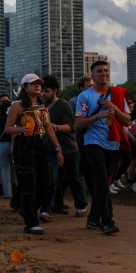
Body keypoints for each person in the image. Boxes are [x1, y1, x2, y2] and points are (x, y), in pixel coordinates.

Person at [5, 74, 64, 235]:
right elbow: (8, 128)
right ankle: (30, 223)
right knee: (28, 184)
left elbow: (48, 128)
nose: (38, 86)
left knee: (47, 184)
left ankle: (24, 208)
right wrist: (21, 130)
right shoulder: (18, 106)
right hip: (25, 145)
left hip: (41, 144)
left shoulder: (43, 105)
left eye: (39, 83)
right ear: (25, 87)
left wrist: (58, 148)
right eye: (33, 83)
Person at [76, 60, 130, 234]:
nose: (103, 73)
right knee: (100, 180)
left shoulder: (117, 95)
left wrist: (113, 107)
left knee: (103, 183)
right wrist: (98, 116)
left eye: (106, 70)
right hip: (93, 142)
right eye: (99, 71)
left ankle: (93, 218)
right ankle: (107, 221)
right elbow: (80, 123)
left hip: (113, 143)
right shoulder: (85, 96)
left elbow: (127, 121)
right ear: (92, 75)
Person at [41, 76, 88, 218]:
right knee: (52, 179)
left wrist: (55, 127)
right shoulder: (41, 107)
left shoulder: (64, 105)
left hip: (69, 149)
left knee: (74, 178)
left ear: (55, 91)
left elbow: (71, 126)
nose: (44, 94)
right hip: (52, 150)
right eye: (42, 91)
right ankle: (48, 208)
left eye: (47, 91)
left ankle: (81, 205)